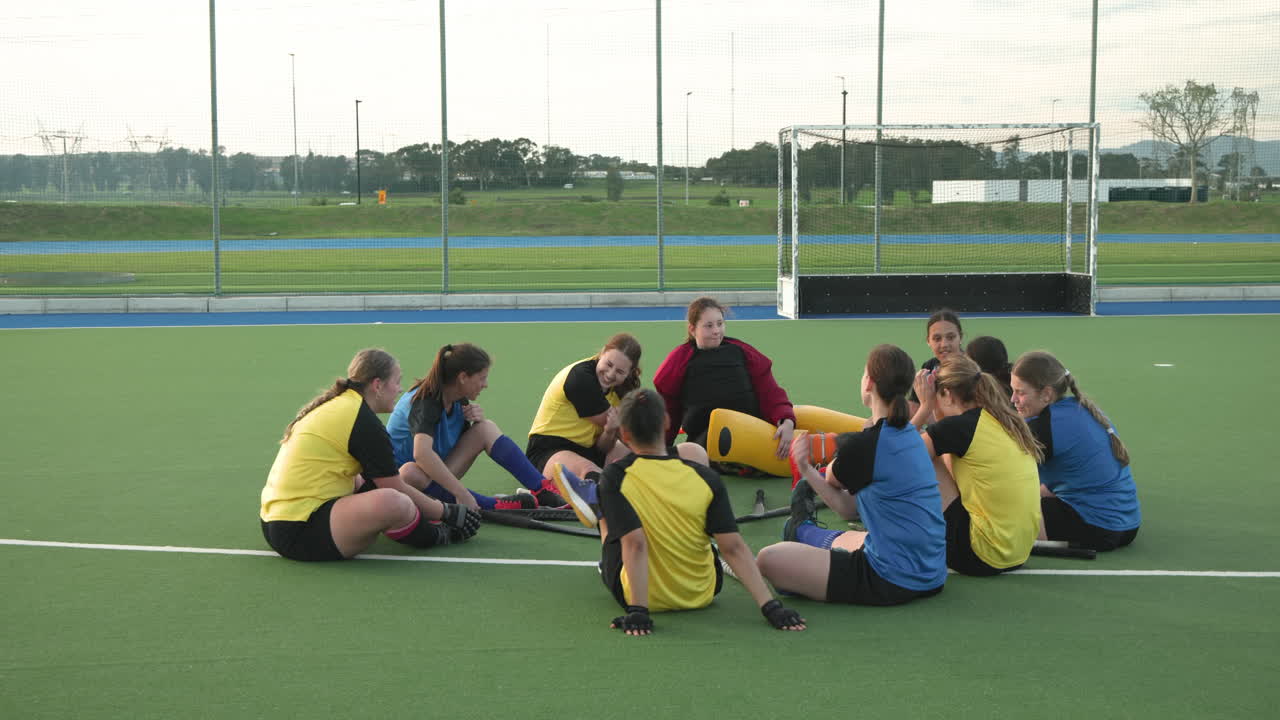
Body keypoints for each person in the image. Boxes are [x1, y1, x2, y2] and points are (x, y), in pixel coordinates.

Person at [549, 388, 806, 636]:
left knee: (610, 522)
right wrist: (771, 607)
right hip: (702, 594)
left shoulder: (616, 476)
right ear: (666, 422)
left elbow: (635, 545)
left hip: (640, 596)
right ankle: (600, 504)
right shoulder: (706, 477)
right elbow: (734, 548)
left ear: (624, 434)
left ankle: (597, 504)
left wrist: (638, 610)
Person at [756, 344, 947, 605]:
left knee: (769, 559)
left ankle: (801, 537)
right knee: (861, 538)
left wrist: (805, 468)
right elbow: (855, 508)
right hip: (932, 574)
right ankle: (802, 532)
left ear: (869, 383)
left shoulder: (868, 445)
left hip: (889, 578)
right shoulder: (911, 435)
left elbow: (846, 508)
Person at [260, 348, 480, 561]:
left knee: (365, 483)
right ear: (377, 385)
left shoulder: (342, 405)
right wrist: (447, 512)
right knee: (395, 502)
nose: (400, 388)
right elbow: (393, 488)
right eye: (396, 381)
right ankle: (440, 535)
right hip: (301, 531)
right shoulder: (362, 420)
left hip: (277, 522)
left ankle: (428, 524)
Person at [386, 343, 565, 512]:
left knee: (485, 428)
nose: (485, 384)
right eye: (482, 378)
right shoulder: (426, 401)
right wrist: (462, 493)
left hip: (431, 478)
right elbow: (421, 454)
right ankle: (491, 504)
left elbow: (456, 444)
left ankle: (543, 491)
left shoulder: (458, 400)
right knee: (410, 472)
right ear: (463, 377)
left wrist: (474, 423)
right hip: (401, 485)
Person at [527, 333, 706, 492]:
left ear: (630, 373)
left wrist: (610, 431)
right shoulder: (580, 379)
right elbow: (630, 435)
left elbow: (604, 447)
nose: (610, 374)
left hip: (591, 450)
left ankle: (660, 483)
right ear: (602, 353)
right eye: (608, 364)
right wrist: (664, 457)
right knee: (590, 472)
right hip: (548, 451)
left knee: (693, 453)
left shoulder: (621, 390)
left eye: (620, 371)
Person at [915, 354, 1042, 576]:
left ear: (947, 394)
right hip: (1018, 553)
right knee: (937, 449)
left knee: (922, 456)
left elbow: (898, 456)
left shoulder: (958, 428)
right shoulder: (1002, 419)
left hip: (979, 556)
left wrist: (924, 408)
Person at [1011, 351, 1140, 551]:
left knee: (1005, 506)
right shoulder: (1079, 409)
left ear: (1046, 394)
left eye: (1020, 392)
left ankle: (1037, 541)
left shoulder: (1044, 427)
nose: (1013, 399)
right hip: (1128, 525)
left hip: (1096, 527)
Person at [654, 296, 796, 459]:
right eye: (709, 326)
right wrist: (660, 448)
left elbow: (769, 391)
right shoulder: (679, 361)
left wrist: (786, 420)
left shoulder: (742, 352)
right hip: (706, 443)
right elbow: (669, 411)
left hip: (752, 433)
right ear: (693, 330)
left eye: (720, 324)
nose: (716, 331)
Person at [909, 308, 965, 427]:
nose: (944, 345)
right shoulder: (928, 367)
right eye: (937, 339)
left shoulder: (972, 370)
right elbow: (913, 406)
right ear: (928, 341)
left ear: (960, 337)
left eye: (950, 337)